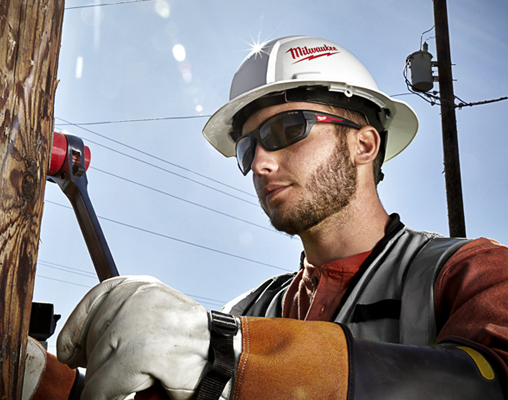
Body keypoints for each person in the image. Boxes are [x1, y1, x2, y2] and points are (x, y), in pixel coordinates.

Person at [50, 35, 508, 400]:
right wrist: (45, 386)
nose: (262, 163)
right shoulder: (246, 314)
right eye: (249, 148)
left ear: (364, 145)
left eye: (287, 129)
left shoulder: (471, 274)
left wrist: (237, 362)